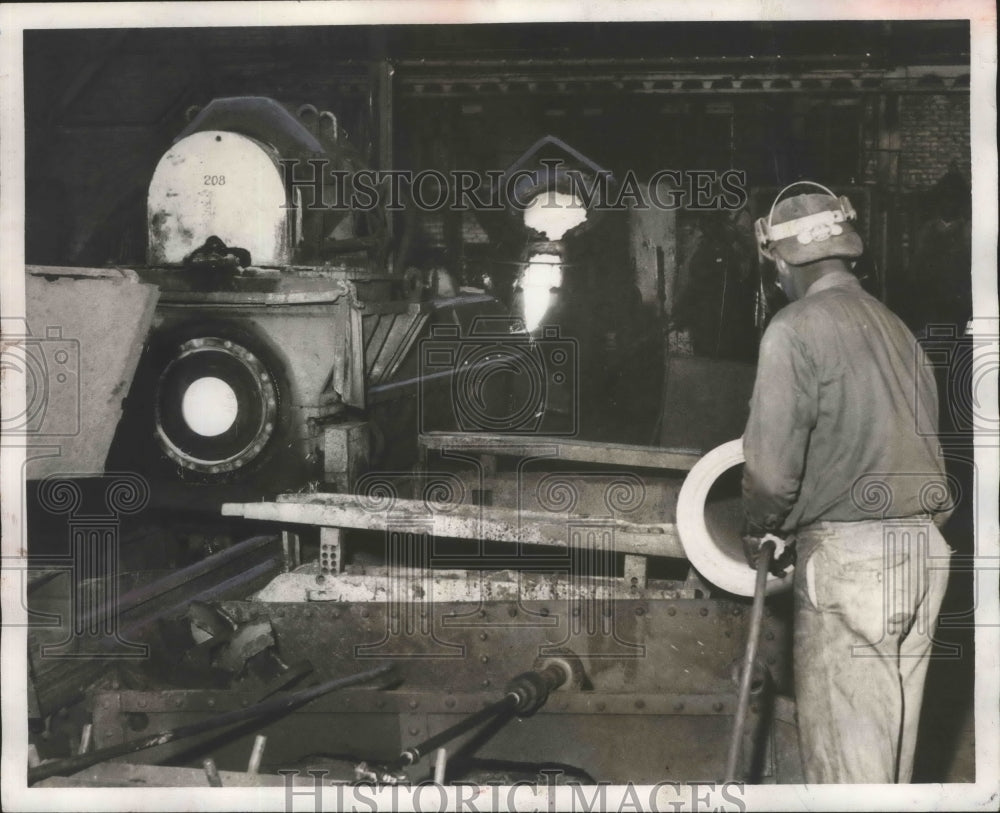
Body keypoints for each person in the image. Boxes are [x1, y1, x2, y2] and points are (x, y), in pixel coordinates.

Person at [740, 182, 954, 783]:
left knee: (849, 781)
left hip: (853, 565)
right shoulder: (898, 330)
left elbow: (771, 472)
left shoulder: (794, 327)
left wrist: (758, 527)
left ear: (781, 261)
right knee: (888, 771)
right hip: (924, 557)